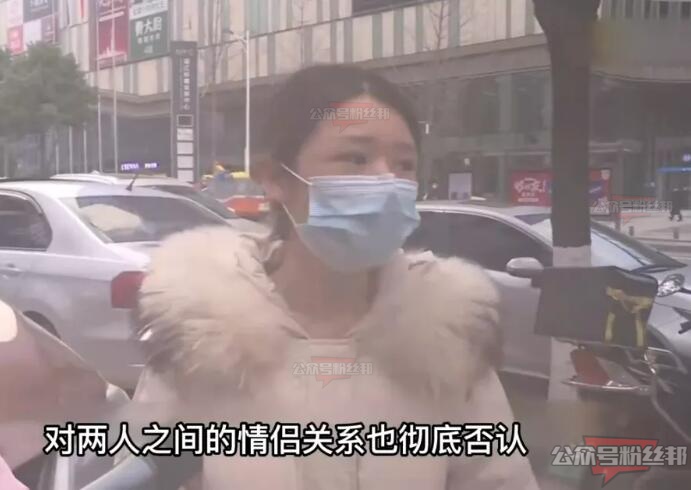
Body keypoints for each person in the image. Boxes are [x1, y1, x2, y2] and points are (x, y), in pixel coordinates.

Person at [132, 64, 538, 490]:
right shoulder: (199, 341)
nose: (386, 181)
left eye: (404, 164)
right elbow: (140, 474)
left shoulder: (449, 344)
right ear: (276, 178)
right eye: (356, 158)